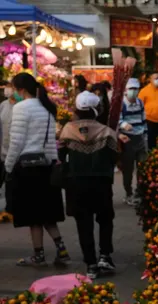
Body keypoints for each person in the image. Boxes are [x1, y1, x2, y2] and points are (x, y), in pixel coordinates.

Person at [3, 72, 70, 267]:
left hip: (27, 169)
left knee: (33, 216)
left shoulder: (21, 108)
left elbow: (16, 142)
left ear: (21, 90)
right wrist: (52, 161)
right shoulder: (47, 107)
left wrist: (8, 166)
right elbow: (51, 142)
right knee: (47, 213)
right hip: (46, 166)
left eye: (14, 89)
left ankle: (39, 255)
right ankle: (61, 249)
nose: (12, 93)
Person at [59, 91, 128, 279]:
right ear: (96, 109)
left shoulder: (67, 130)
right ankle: (105, 255)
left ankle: (90, 264)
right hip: (101, 182)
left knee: (84, 224)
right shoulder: (107, 132)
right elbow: (116, 157)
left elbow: (60, 155)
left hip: (76, 184)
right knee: (105, 219)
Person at [118, 78, 148, 206]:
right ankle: (128, 193)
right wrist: (124, 125)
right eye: (131, 89)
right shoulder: (121, 104)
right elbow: (117, 121)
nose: (133, 92)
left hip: (140, 138)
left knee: (142, 168)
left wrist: (145, 136)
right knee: (128, 169)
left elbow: (144, 119)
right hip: (127, 139)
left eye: (136, 89)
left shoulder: (140, 103)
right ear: (126, 91)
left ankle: (139, 193)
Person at [0, 80, 18, 188]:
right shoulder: (2, 105)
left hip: (15, 154)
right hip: (2, 152)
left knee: (11, 186)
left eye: (10, 86)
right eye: (7, 87)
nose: (7, 89)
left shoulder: (21, 106)